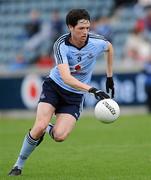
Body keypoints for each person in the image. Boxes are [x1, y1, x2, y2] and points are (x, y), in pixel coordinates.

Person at [8, 9, 115, 176]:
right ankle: (18, 165)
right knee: (39, 126)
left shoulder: (97, 41)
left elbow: (109, 48)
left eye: (87, 28)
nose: (85, 32)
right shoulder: (61, 45)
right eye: (81, 28)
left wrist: (110, 77)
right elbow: (66, 77)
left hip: (74, 96)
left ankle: (46, 128)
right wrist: (93, 90)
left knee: (59, 136)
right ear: (70, 27)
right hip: (55, 87)